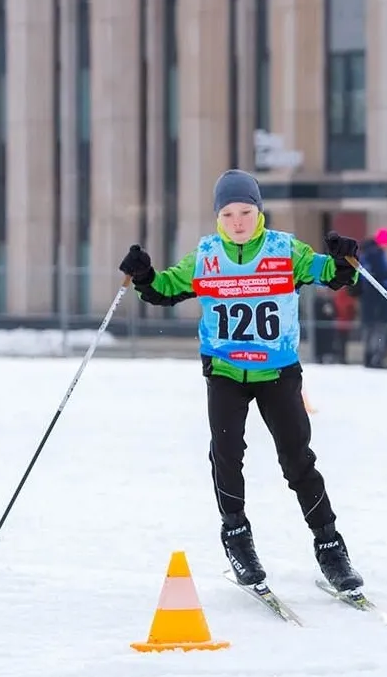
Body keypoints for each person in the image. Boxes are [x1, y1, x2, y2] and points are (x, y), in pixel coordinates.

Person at [117, 169, 365, 592]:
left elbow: (337, 274)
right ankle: (237, 537)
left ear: (259, 211)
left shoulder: (284, 250)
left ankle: (330, 546)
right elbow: (166, 289)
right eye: (228, 213)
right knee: (227, 455)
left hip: (278, 373)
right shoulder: (207, 257)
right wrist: (143, 275)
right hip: (226, 373)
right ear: (218, 215)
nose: (237, 221)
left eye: (246, 211)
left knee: (297, 460)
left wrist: (345, 259)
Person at [357, 228, 387, 369]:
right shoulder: (376, 255)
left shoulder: (368, 254)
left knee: (371, 329)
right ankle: (376, 358)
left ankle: (370, 357)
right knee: (379, 329)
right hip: (377, 300)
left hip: (370, 300)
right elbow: (380, 276)